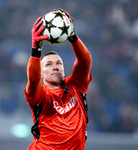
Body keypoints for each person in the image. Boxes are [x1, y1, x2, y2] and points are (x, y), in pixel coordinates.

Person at [24, 9, 92, 150]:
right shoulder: (41, 95)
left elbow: (85, 62)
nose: (55, 67)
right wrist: (36, 49)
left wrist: (72, 36)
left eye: (58, 63)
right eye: (48, 64)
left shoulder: (76, 86)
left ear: (63, 69)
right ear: (41, 73)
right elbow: (33, 80)